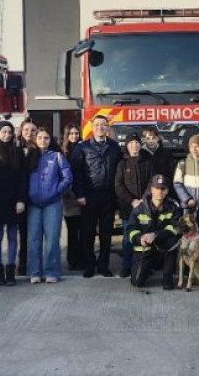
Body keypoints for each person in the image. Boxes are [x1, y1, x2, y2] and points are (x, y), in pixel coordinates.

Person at [71, 115, 122, 278]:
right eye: (97, 125)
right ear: (92, 128)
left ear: (108, 128)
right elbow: (76, 173)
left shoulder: (115, 147)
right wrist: (79, 194)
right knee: (88, 233)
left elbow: (119, 171)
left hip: (108, 196)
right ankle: (89, 265)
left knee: (106, 234)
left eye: (103, 125)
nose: (100, 127)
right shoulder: (83, 147)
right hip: (89, 196)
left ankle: (103, 265)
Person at [27, 128, 72, 283]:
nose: (43, 140)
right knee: (34, 239)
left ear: (50, 140)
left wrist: (56, 191)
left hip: (53, 203)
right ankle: (35, 272)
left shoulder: (57, 156)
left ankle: (51, 271)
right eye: (40, 137)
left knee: (52, 238)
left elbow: (67, 178)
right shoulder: (29, 156)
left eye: (46, 138)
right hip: (33, 204)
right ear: (35, 139)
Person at [0, 120, 27, 287]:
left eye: (9, 132)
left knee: (12, 236)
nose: (7, 135)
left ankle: (10, 270)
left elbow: (22, 178)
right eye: (3, 132)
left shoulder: (17, 151)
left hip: (13, 200)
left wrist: (21, 200)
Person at [127, 174, 182, 290]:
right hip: (145, 247)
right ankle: (148, 268)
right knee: (137, 282)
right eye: (157, 188)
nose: (159, 192)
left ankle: (167, 276)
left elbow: (176, 228)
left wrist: (156, 235)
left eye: (163, 189)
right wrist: (140, 239)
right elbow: (130, 229)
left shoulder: (173, 207)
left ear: (167, 191)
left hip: (163, 246)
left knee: (173, 240)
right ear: (151, 189)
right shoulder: (139, 208)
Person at [115, 132, 154, 278]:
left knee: (146, 238)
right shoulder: (122, 164)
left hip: (145, 207)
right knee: (128, 238)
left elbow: (152, 182)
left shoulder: (147, 162)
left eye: (137, 143)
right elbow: (118, 186)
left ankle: (145, 266)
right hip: (128, 208)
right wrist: (132, 201)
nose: (134, 146)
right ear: (127, 145)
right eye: (131, 143)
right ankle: (126, 266)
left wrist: (143, 200)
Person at [16, 118, 38, 276]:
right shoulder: (15, 148)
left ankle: (35, 264)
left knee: (35, 234)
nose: (29, 133)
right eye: (26, 130)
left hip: (37, 197)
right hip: (21, 197)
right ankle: (22, 264)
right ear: (21, 131)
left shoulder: (41, 148)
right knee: (23, 234)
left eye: (33, 130)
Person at [60, 124, 84, 271]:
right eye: (71, 134)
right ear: (67, 135)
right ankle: (72, 260)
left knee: (83, 229)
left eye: (76, 133)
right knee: (72, 231)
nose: (74, 136)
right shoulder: (62, 152)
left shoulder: (83, 149)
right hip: (69, 197)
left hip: (82, 196)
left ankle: (81, 259)